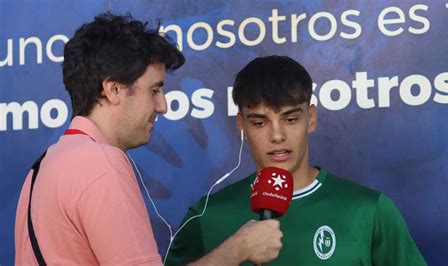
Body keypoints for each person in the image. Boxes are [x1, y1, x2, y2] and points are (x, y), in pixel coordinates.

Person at [15, 13, 282, 266]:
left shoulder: (43, 166)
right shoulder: (101, 164)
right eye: (154, 90)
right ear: (114, 90)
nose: (162, 105)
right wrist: (239, 248)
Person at [167, 55, 427, 265]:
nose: (277, 135)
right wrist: (233, 252)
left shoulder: (370, 210)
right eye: (259, 122)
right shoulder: (207, 216)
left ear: (311, 119)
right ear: (242, 126)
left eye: (290, 119)